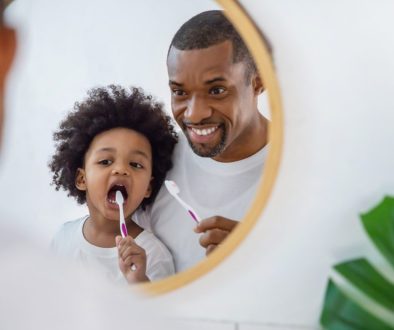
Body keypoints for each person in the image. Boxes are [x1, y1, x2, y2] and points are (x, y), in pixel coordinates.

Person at [135, 10, 270, 272]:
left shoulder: (299, 171)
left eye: (217, 91)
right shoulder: (153, 163)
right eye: (180, 92)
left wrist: (261, 260)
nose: (194, 114)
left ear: (257, 83)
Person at [49, 85, 178, 284]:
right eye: (105, 162)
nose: (121, 170)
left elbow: (160, 314)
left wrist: (140, 282)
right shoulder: (63, 238)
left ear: (148, 188)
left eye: (135, 164)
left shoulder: (153, 255)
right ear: (82, 179)